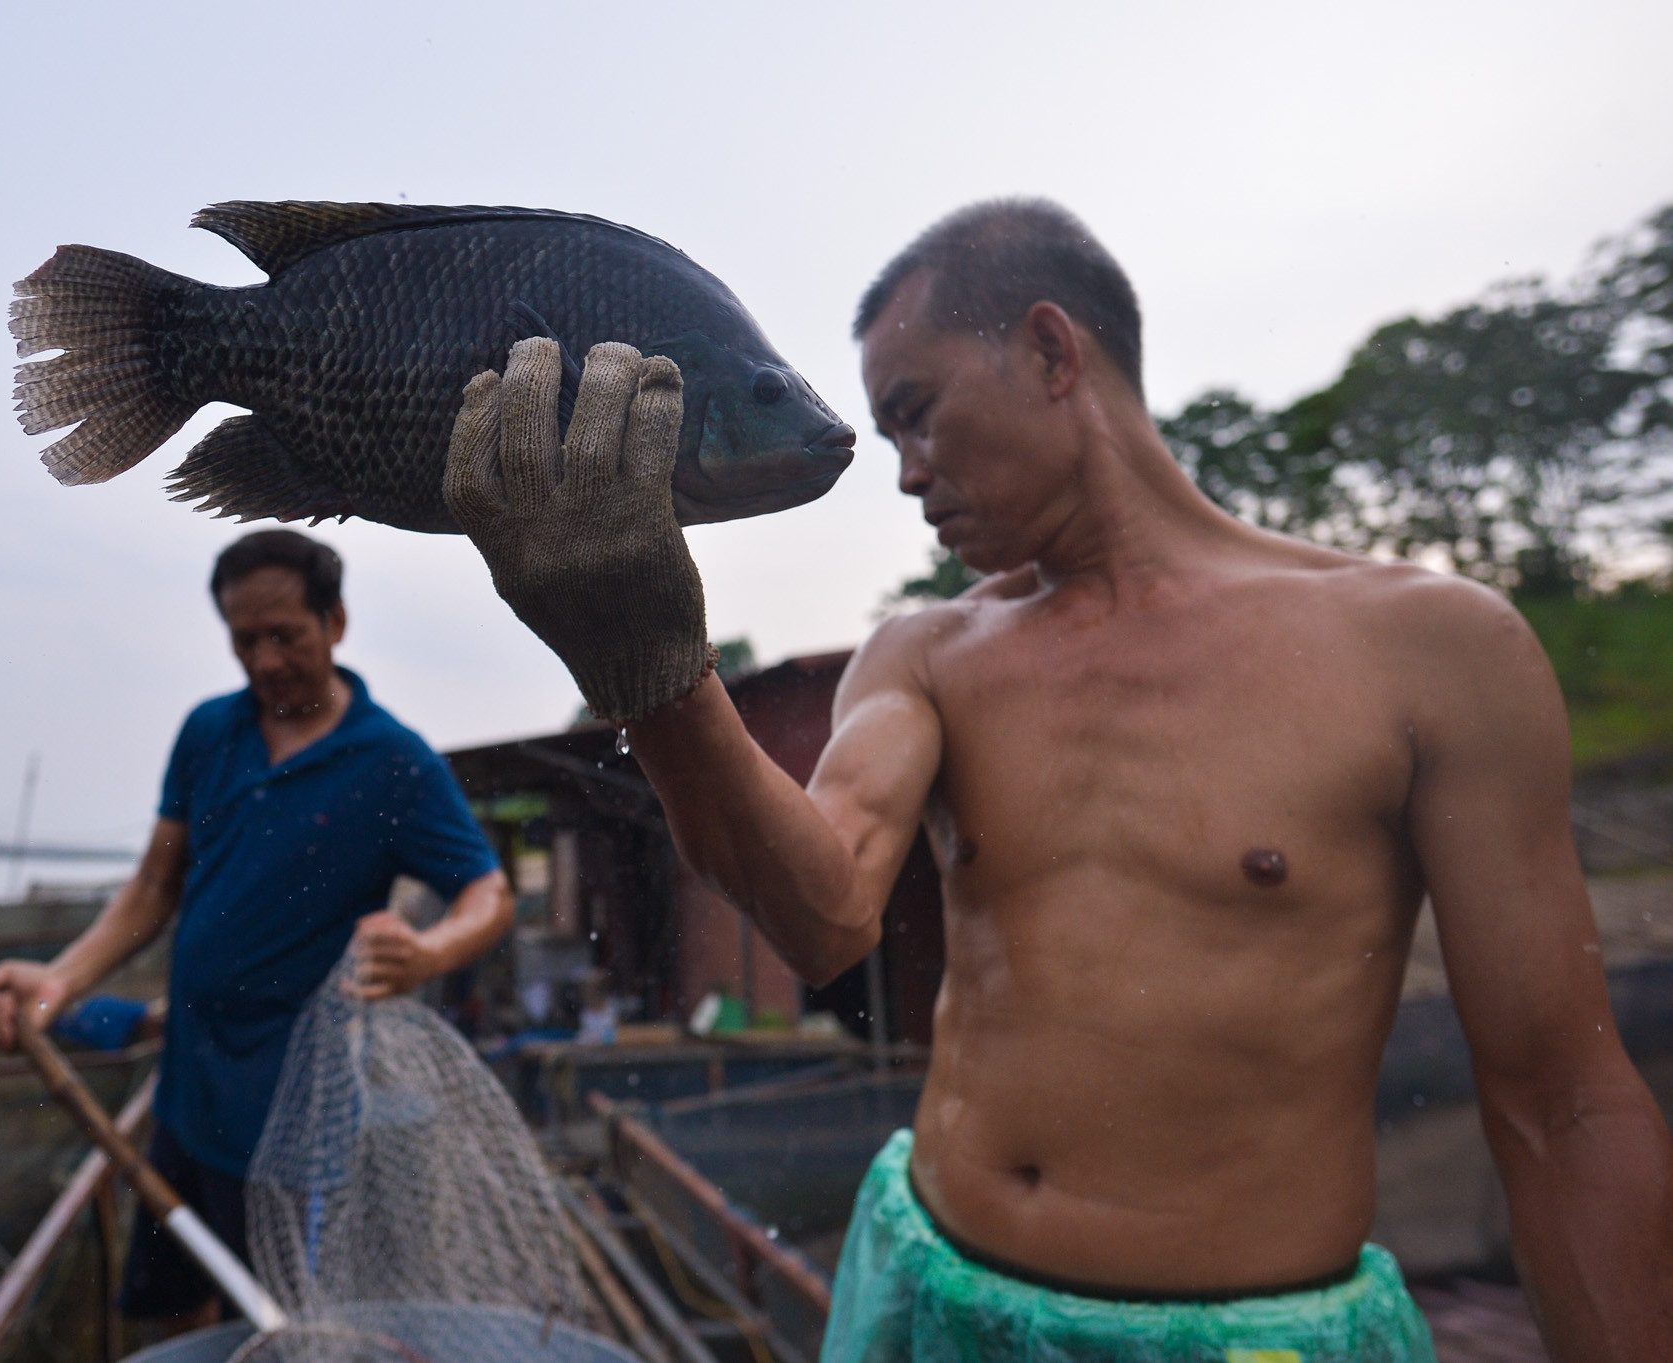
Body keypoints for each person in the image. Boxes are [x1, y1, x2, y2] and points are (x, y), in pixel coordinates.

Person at [443, 202, 1673, 1360]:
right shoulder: (924, 653)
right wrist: (650, 666)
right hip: (925, 1294)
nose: (906, 471)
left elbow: (1561, 1103)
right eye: (886, 436)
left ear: (1047, 351)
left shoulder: (1427, 647)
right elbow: (822, 915)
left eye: (914, 411)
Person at [0, 529, 511, 1333]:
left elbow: (488, 891)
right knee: (168, 1301)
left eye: (283, 635)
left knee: (271, 1320)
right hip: (187, 1086)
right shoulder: (207, 733)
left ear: (336, 621)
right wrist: (59, 981)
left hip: (288, 1115)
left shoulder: (393, 762)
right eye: (242, 639)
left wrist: (430, 950)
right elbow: (155, 884)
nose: (261, 661)